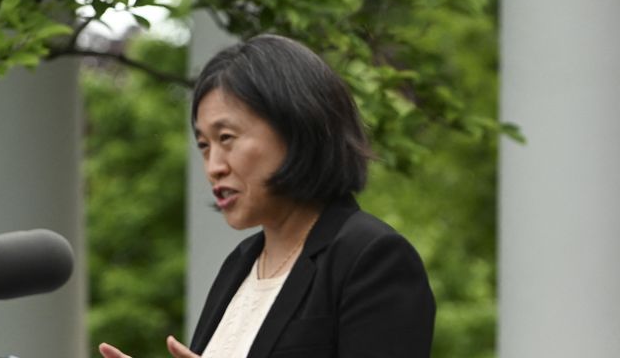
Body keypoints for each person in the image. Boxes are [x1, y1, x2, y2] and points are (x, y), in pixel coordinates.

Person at [98, 34, 436, 358]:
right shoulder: (241, 262)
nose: (213, 166)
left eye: (227, 137)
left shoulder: (371, 257)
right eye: (204, 145)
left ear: (296, 127)